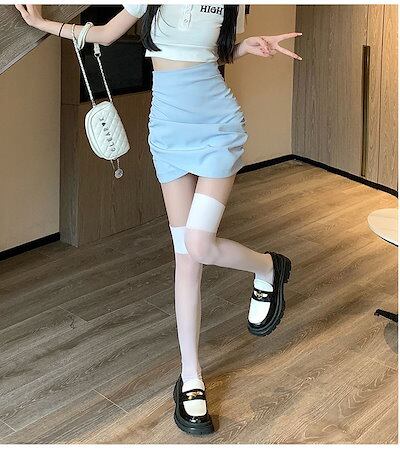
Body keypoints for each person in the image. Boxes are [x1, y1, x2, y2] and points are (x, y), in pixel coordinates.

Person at [15, 3, 302, 436]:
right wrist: (41, 23)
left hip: (217, 129)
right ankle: (191, 377)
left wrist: (244, 47)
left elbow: (213, 51)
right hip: (167, 134)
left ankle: (267, 267)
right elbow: (105, 34)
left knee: (199, 244)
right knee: (186, 257)